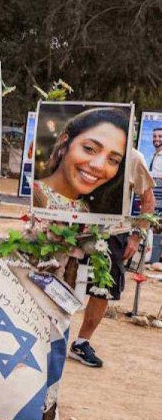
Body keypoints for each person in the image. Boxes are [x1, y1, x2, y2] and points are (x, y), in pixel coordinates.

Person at [70, 147, 155, 368]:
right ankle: (52, 336)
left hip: (112, 233)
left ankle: (81, 342)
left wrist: (136, 236)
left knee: (103, 288)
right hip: (71, 228)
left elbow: (148, 201)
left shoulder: (133, 157)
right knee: (62, 279)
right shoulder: (79, 146)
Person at [32, 107, 129, 216]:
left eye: (113, 160)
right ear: (64, 144)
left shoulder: (98, 210)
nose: (99, 166)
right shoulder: (31, 197)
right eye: (89, 148)